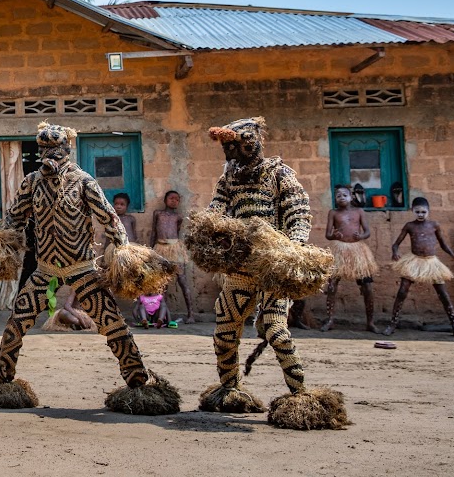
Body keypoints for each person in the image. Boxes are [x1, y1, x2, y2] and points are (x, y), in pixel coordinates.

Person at [0, 122, 179, 415]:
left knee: (113, 325)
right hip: (44, 270)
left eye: (55, 150)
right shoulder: (31, 182)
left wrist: (124, 250)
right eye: (44, 150)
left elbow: (109, 218)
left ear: (66, 150)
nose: (49, 156)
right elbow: (15, 219)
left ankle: (138, 384)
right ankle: (3, 382)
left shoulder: (83, 181)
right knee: (16, 323)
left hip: (83, 268)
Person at [193, 116, 348, 429]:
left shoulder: (278, 172)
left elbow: (298, 211)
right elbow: (216, 211)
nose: (228, 153)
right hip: (239, 267)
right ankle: (229, 388)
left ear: (249, 143)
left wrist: (292, 249)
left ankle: (301, 395)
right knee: (225, 328)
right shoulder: (229, 179)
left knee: (275, 329)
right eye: (226, 147)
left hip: (273, 266)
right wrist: (208, 232)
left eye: (233, 145)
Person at [383, 197, 454, 339]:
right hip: (413, 261)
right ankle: (392, 325)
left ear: (429, 211)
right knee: (402, 291)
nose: (420, 214)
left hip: (431, 262)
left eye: (423, 212)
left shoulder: (434, 225)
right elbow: (395, 244)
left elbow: (443, 244)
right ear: (412, 211)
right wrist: (395, 252)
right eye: (417, 212)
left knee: (443, 294)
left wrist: (453, 255)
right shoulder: (409, 226)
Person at [321, 184, 379, 332]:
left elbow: (367, 232)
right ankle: (330, 320)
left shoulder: (359, 211)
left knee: (367, 286)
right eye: (338, 195)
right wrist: (334, 235)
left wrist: (361, 236)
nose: (341, 198)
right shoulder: (333, 213)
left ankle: (370, 322)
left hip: (358, 251)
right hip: (339, 250)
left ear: (351, 197)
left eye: (344, 195)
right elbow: (328, 235)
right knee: (332, 285)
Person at [149, 190, 196, 323]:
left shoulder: (179, 217)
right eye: (171, 198)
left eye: (177, 199)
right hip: (160, 248)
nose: (174, 201)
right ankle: (161, 316)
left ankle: (191, 314)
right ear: (165, 200)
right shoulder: (157, 213)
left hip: (175, 249)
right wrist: (150, 250)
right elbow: (154, 231)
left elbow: (178, 231)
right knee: (161, 283)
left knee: (182, 280)